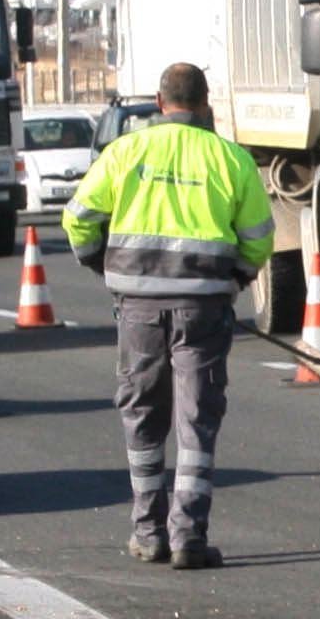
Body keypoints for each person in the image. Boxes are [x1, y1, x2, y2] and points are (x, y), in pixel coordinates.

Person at [60, 60, 271, 569]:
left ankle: (148, 532)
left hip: (138, 308)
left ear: (159, 103)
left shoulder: (125, 151)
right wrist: (236, 279)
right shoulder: (230, 158)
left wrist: (100, 264)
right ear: (204, 104)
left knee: (143, 416)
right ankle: (188, 537)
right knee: (197, 419)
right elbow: (260, 237)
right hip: (203, 307)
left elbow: (79, 218)